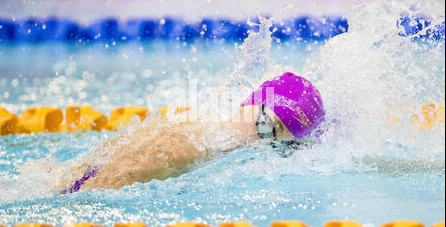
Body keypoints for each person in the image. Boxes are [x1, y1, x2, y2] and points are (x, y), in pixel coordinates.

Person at [58, 72, 325, 193]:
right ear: (250, 102)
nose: (261, 142)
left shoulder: (215, 141)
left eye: (280, 145)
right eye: (264, 127)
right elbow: (88, 190)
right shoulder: (192, 144)